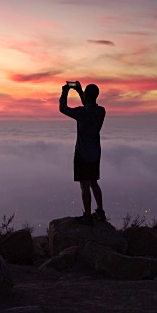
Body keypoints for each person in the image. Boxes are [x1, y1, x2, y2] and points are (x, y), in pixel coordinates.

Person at [59, 81, 106, 225]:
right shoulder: (100, 111)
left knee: (84, 185)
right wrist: (80, 92)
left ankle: (87, 215)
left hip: (82, 153)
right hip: (95, 152)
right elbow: (89, 106)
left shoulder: (81, 112)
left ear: (86, 95)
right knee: (94, 182)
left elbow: (63, 108)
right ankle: (100, 211)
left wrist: (65, 91)